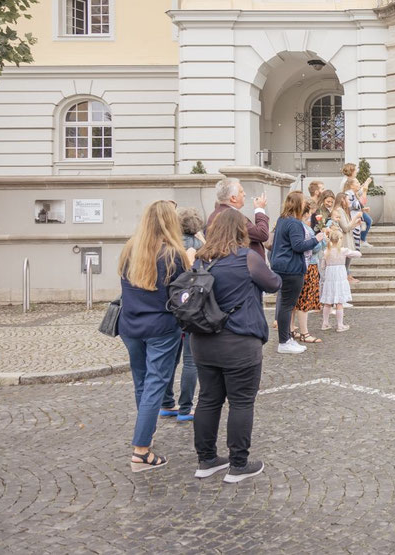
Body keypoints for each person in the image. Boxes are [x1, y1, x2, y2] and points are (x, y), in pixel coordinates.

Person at [191, 208, 282, 483]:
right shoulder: (247, 258)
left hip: (203, 341)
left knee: (208, 399)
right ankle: (238, 464)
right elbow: (274, 283)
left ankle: (206, 460)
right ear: (240, 231)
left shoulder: (201, 259)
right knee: (241, 402)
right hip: (240, 341)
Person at [117, 200, 194, 472]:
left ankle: (145, 434)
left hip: (130, 325)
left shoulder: (130, 248)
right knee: (155, 384)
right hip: (161, 327)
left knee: (142, 383)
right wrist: (190, 262)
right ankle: (141, 452)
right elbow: (184, 293)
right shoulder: (174, 254)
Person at [158, 207, 205, 423]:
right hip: (193, 308)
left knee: (171, 358)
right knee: (190, 360)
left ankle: (167, 402)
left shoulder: (170, 246)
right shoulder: (200, 246)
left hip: (171, 306)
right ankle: (186, 407)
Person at [269, 192, 326, 354]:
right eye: (303, 202)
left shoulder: (282, 219)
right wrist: (317, 239)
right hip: (291, 268)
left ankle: (287, 338)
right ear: (297, 204)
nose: (305, 204)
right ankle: (284, 342)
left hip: (282, 266)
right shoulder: (294, 223)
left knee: (286, 305)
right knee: (287, 306)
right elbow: (298, 245)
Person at [206, 178, 269, 260]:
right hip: (241, 263)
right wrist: (259, 209)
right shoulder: (230, 217)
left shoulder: (217, 213)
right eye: (241, 191)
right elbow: (262, 234)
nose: (245, 194)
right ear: (233, 198)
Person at [289, 197, 323, 345]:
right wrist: (321, 239)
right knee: (304, 300)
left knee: (294, 301)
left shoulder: (296, 225)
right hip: (309, 265)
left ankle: (291, 329)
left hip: (302, 265)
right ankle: (304, 333)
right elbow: (312, 248)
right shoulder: (303, 227)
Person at [319, 228, 362, 332]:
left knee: (327, 302)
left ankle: (325, 323)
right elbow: (358, 254)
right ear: (340, 239)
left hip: (329, 278)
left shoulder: (326, 251)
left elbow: (322, 266)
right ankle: (340, 325)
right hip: (340, 277)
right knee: (339, 302)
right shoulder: (343, 251)